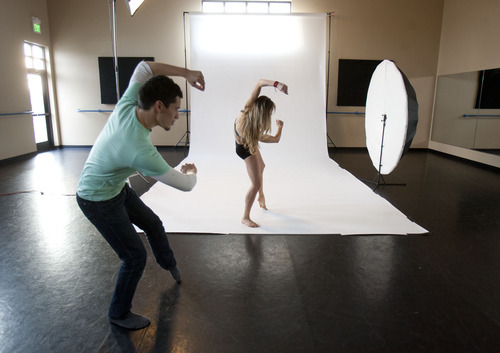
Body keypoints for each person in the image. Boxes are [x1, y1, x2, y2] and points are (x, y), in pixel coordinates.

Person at [76, 61, 205, 330]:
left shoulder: (128, 103)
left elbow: (145, 67)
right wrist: (191, 171)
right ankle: (118, 313)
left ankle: (170, 265)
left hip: (115, 188)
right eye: (176, 110)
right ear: (159, 106)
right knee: (134, 257)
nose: (177, 117)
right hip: (96, 200)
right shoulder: (138, 149)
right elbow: (186, 185)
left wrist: (187, 74)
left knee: (153, 224)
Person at [234, 79, 288, 228]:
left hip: (248, 141)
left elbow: (259, 83)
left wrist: (277, 85)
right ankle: (245, 217)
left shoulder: (248, 109)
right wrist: (280, 127)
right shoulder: (249, 129)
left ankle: (260, 195)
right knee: (255, 183)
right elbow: (276, 139)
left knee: (262, 166)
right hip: (244, 149)